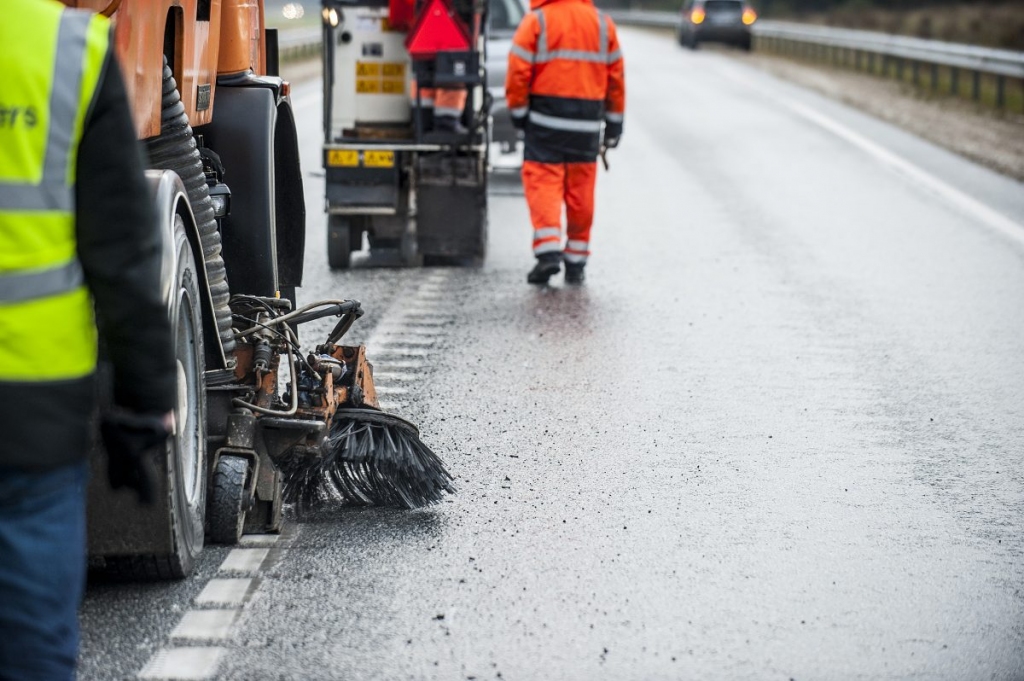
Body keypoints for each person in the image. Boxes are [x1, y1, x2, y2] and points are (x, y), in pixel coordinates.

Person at [0, 1, 177, 678]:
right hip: (32, 416)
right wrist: (141, 403)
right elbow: (123, 257)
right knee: (34, 654)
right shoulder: (67, 49)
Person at [505, 0, 625, 285]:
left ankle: (548, 253)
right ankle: (576, 260)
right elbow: (615, 78)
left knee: (544, 182)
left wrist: (519, 114)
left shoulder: (537, 21)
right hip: (586, 125)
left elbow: (518, 71)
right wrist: (614, 125)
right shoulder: (602, 24)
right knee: (580, 189)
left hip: (545, 122)